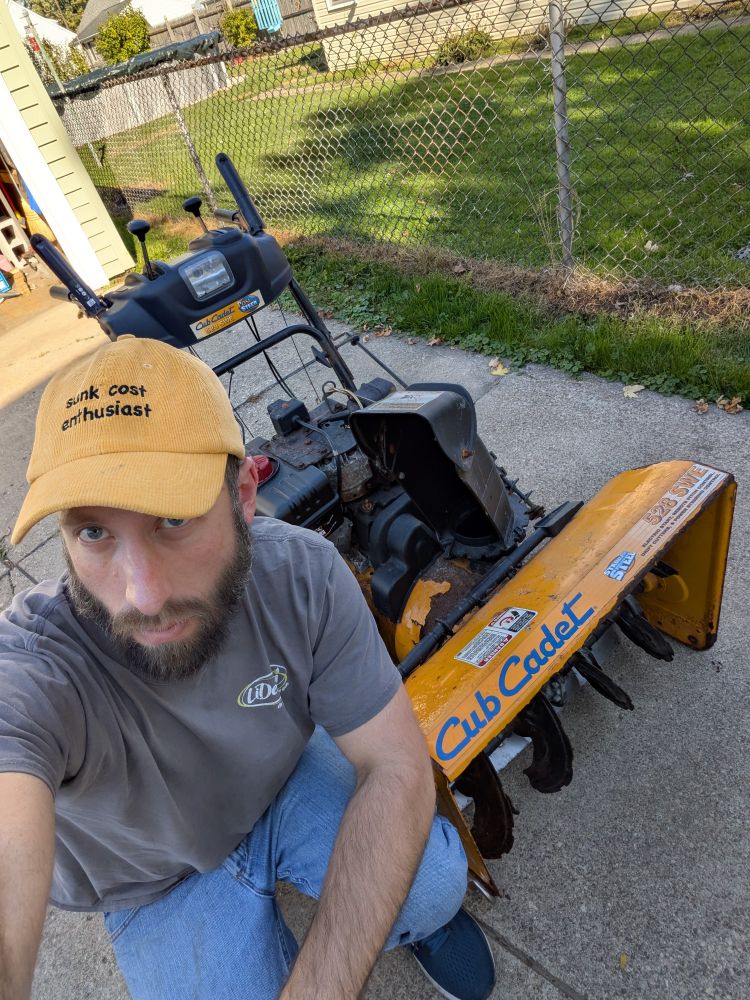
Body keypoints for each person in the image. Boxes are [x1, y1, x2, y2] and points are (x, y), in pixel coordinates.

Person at [0, 335, 496, 1000]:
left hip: (278, 785)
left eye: (173, 517)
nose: (142, 594)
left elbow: (395, 766)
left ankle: (412, 919)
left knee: (431, 886)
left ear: (242, 495)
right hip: (151, 885)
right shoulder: (35, 669)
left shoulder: (303, 575)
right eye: (94, 532)